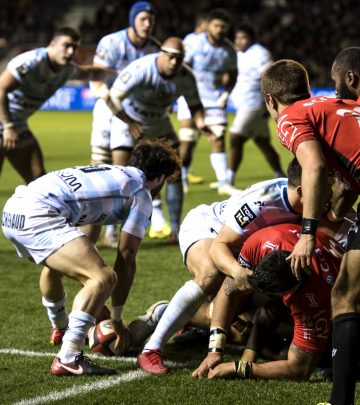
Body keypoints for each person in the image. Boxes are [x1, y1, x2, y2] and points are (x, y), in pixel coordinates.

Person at [1, 139, 180, 375]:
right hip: (39, 213)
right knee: (104, 278)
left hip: (13, 210)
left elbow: (87, 236)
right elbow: (126, 256)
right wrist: (116, 319)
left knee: (56, 267)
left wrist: (95, 302)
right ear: (159, 178)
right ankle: (69, 356)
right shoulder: (141, 190)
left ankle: (61, 328)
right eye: (164, 182)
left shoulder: (111, 172)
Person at [137, 158, 313, 375]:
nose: (327, 192)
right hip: (209, 228)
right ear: (302, 190)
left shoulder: (313, 203)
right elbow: (219, 247)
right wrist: (236, 271)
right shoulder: (263, 202)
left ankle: (170, 312)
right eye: (322, 184)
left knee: (235, 322)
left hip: (245, 248)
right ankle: (152, 348)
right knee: (210, 274)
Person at [260, 53, 360, 405]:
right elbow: (347, 185)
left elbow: (314, 169)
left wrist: (306, 234)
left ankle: (340, 402)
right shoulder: (334, 103)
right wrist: (338, 209)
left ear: (271, 100)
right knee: (350, 289)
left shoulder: (290, 116)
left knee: (346, 296)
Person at [192, 221, 345, 380]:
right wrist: (214, 350)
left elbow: (300, 369)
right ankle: (178, 315)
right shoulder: (261, 242)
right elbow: (228, 290)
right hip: (306, 278)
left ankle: (241, 338)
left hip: (336, 310)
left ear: (287, 292)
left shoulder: (314, 300)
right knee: (242, 308)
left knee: (290, 355)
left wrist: (238, 368)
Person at [105, 36, 214, 242]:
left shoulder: (185, 76)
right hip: (128, 119)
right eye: (171, 57)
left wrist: (200, 122)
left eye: (179, 58)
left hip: (159, 122)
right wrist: (129, 122)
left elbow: (195, 105)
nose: (174, 62)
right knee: (120, 176)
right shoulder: (141, 69)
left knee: (174, 171)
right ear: (161, 54)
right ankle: (111, 232)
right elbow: (112, 98)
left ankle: (174, 228)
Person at [0, 26, 116, 184]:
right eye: (66, 45)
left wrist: (124, 72)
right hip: (6, 123)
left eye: (74, 47)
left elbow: (90, 72)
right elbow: (0, 88)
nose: (70, 52)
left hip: (18, 126)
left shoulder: (66, 70)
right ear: (52, 44)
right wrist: (8, 125)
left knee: (40, 182)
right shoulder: (31, 62)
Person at [89, 1, 160, 247]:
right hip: (107, 106)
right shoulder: (111, 43)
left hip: (134, 112)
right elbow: (96, 78)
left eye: (151, 20)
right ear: (133, 20)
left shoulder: (154, 48)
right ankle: (92, 227)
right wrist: (108, 99)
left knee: (127, 169)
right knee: (99, 167)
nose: (148, 24)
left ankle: (116, 229)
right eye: (143, 19)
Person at [177, 8, 238, 196]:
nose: (220, 30)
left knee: (217, 138)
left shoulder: (229, 51)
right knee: (187, 139)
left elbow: (233, 74)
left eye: (223, 27)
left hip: (213, 99)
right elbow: (180, 68)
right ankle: (183, 177)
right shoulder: (194, 43)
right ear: (208, 26)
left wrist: (225, 94)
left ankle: (222, 183)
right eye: (216, 25)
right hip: (190, 97)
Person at [227, 23, 285, 186]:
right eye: (237, 38)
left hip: (253, 104)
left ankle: (227, 180)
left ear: (252, 39)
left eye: (243, 38)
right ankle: (280, 175)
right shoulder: (238, 54)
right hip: (246, 103)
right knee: (262, 141)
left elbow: (270, 78)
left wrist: (270, 104)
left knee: (235, 137)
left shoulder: (259, 53)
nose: (239, 41)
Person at [177, 12, 208, 193]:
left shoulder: (205, 43)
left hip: (203, 97)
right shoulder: (191, 40)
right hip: (189, 96)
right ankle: (179, 177)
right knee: (187, 138)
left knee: (194, 139)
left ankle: (186, 172)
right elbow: (183, 63)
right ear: (202, 23)